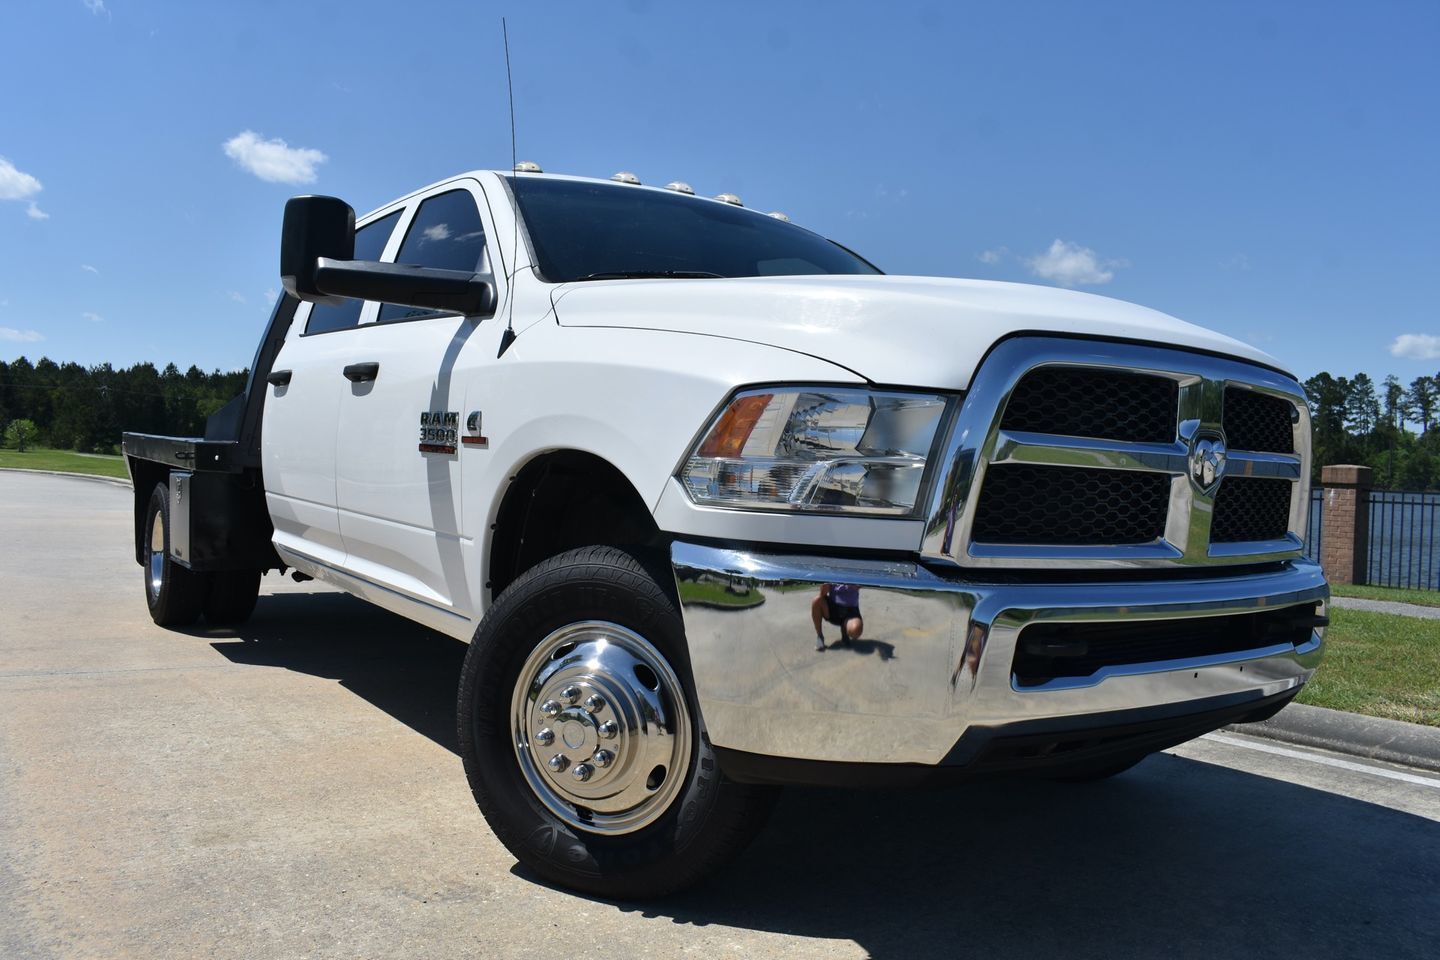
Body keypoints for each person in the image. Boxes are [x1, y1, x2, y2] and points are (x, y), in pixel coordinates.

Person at [812, 583, 863, 652]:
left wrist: (856, 585)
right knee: (816, 600)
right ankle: (820, 637)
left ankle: (844, 632)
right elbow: (822, 593)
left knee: (856, 630)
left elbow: (861, 583)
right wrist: (823, 591)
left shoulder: (853, 572)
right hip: (833, 609)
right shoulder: (832, 572)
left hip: (850, 611)